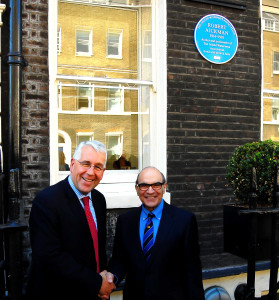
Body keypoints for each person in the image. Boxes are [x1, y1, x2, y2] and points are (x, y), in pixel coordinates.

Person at [28, 141, 115, 300]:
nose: (90, 172)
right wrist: (96, 283)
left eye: (98, 167)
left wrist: (103, 280)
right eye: (85, 164)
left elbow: (97, 249)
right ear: (73, 164)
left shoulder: (98, 199)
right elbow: (49, 256)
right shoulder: (47, 200)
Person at [106, 166, 205, 300]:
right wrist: (111, 279)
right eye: (144, 185)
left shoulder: (184, 220)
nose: (150, 191)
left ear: (164, 187)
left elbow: (192, 270)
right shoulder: (125, 221)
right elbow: (119, 260)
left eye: (156, 185)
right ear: (137, 189)